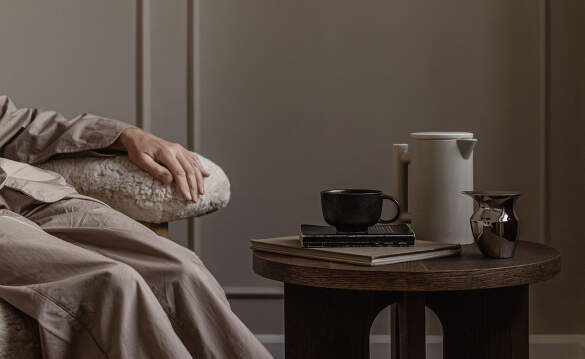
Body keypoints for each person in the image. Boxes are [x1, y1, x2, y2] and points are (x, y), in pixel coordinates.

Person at [0, 95, 272, 359]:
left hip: (22, 190)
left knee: (177, 268)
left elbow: (13, 124)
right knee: (111, 284)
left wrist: (126, 135)